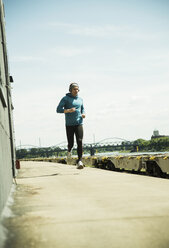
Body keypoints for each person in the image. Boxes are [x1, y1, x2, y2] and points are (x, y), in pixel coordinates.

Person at [56, 83, 85, 169]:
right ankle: (69, 150)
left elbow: (82, 108)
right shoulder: (65, 99)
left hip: (79, 123)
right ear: (70, 90)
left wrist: (83, 113)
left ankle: (79, 161)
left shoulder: (80, 99)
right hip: (69, 124)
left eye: (77, 89)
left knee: (80, 141)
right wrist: (68, 110)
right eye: (74, 89)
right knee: (71, 143)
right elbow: (58, 110)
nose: (76, 91)